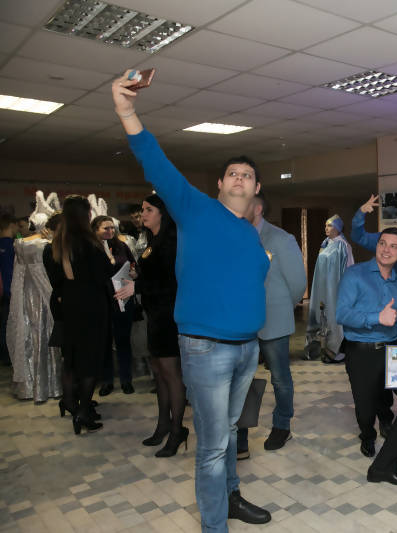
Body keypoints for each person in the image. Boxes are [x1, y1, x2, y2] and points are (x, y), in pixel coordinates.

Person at [112, 69, 271, 531]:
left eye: (248, 175)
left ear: (256, 189)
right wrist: (127, 111)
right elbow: (157, 165)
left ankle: (230, 498)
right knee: (213, 444)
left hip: (247, 348)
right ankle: (213, 525)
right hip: (206, 348)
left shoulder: (250, 235)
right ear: (220, 184)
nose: (240, 178)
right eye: (233, 173)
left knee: (232, 432)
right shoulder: (196, 209)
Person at [336, 228, 397, 485]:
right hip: (361, 352)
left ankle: (385, 463)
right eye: (382, 243)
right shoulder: (355, 274)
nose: (386, 249)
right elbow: (341, 314)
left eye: (394, 246)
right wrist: (377, 317)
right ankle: (367, 436)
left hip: (393, 350)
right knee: (366, 411)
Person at [237, 194, 305, 459]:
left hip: (273, 319)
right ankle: (240, 436)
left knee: (280, 378)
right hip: (242, 320)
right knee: (241, 379)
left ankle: (282, 425)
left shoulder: (281, 239)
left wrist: (281, 306)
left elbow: (298, 283)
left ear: (258, 208)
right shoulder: (235, 236)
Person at [43, 195, 112, 434]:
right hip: (91, 304)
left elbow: (55, 280)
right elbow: (103, 273)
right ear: (85, 215)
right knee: (90, 360)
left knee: (72, 358)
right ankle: (82, 411)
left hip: (69, 303)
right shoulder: (88, 242)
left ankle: (70, 402)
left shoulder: (57, 243)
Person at [125, 194, 187, 458]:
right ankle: (163, 424)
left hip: (169, 316)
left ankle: (177, 430)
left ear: (163, 213)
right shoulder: (153, 240)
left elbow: (171, 283)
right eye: (142, 210)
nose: (143, 214)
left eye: (149, 210)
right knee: (159, 373)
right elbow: (154, 274)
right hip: (155, 314)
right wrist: (137, 275)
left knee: (171, 374)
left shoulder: (171, 241)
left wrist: (137, 286)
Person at [7, 208, 63, 401]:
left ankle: (29, 386)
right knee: (46, 336)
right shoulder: (46, 245)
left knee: (28, 336)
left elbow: (19, 273)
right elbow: (51, 274)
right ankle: (50, 386)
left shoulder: (20, 243)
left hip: (25, 294)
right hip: (45, 295)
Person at [92, 215, 136, 396]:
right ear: (95, 230)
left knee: (123, 341)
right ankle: (107, 381)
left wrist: (133, 273)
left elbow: (133, 265)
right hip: (101, 301)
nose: (110, 231)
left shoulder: (122, 246)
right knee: (104, 343)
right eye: (105, 228)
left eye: (112, 228)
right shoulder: (91, 248)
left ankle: (126, 380)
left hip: (123, 299)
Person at [305, 214, 353, 363]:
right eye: (325, 225)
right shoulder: (326, 244)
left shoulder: (343, 245)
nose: (326, 228)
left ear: (338, 228)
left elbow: (349, 267)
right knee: (322, 315)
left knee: (334, 318)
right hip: (323, 287)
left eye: (330, 225)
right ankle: (323, 348)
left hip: (335, 288)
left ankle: (336, 351)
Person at [0, 213, 15, 366]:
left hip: (4, 289)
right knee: (8, 323)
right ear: (11, 225)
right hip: (10, 289)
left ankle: (4, 355)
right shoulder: (14, 246)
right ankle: (7, 356)